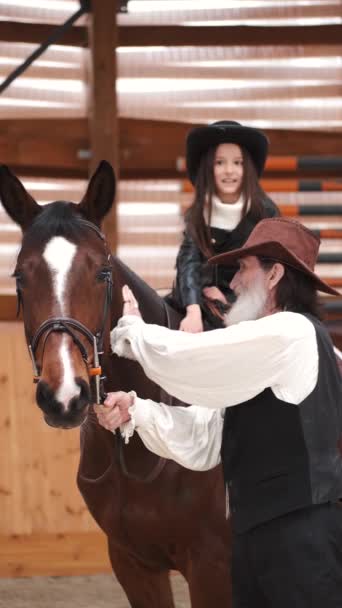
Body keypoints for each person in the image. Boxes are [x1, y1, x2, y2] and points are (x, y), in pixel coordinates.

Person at [95, 217, 342, 608]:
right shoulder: (261, 357)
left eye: (244, 269)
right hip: (251, 538)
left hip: (300, 540)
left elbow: (194, 358)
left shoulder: (291, 332)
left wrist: (135, 331)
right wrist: (137, 412)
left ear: (275, 274)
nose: (234, 282)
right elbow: (208, 435)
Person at [168, 120, 279, 332]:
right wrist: (193, 310)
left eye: (237, 163)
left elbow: (272, 270)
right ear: (208, 168)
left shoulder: (266, 213)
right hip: (204, 300)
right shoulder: (197, 214)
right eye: (220, 163)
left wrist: (230, 300)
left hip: (255, 304)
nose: (229, 171)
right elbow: (188, 263)